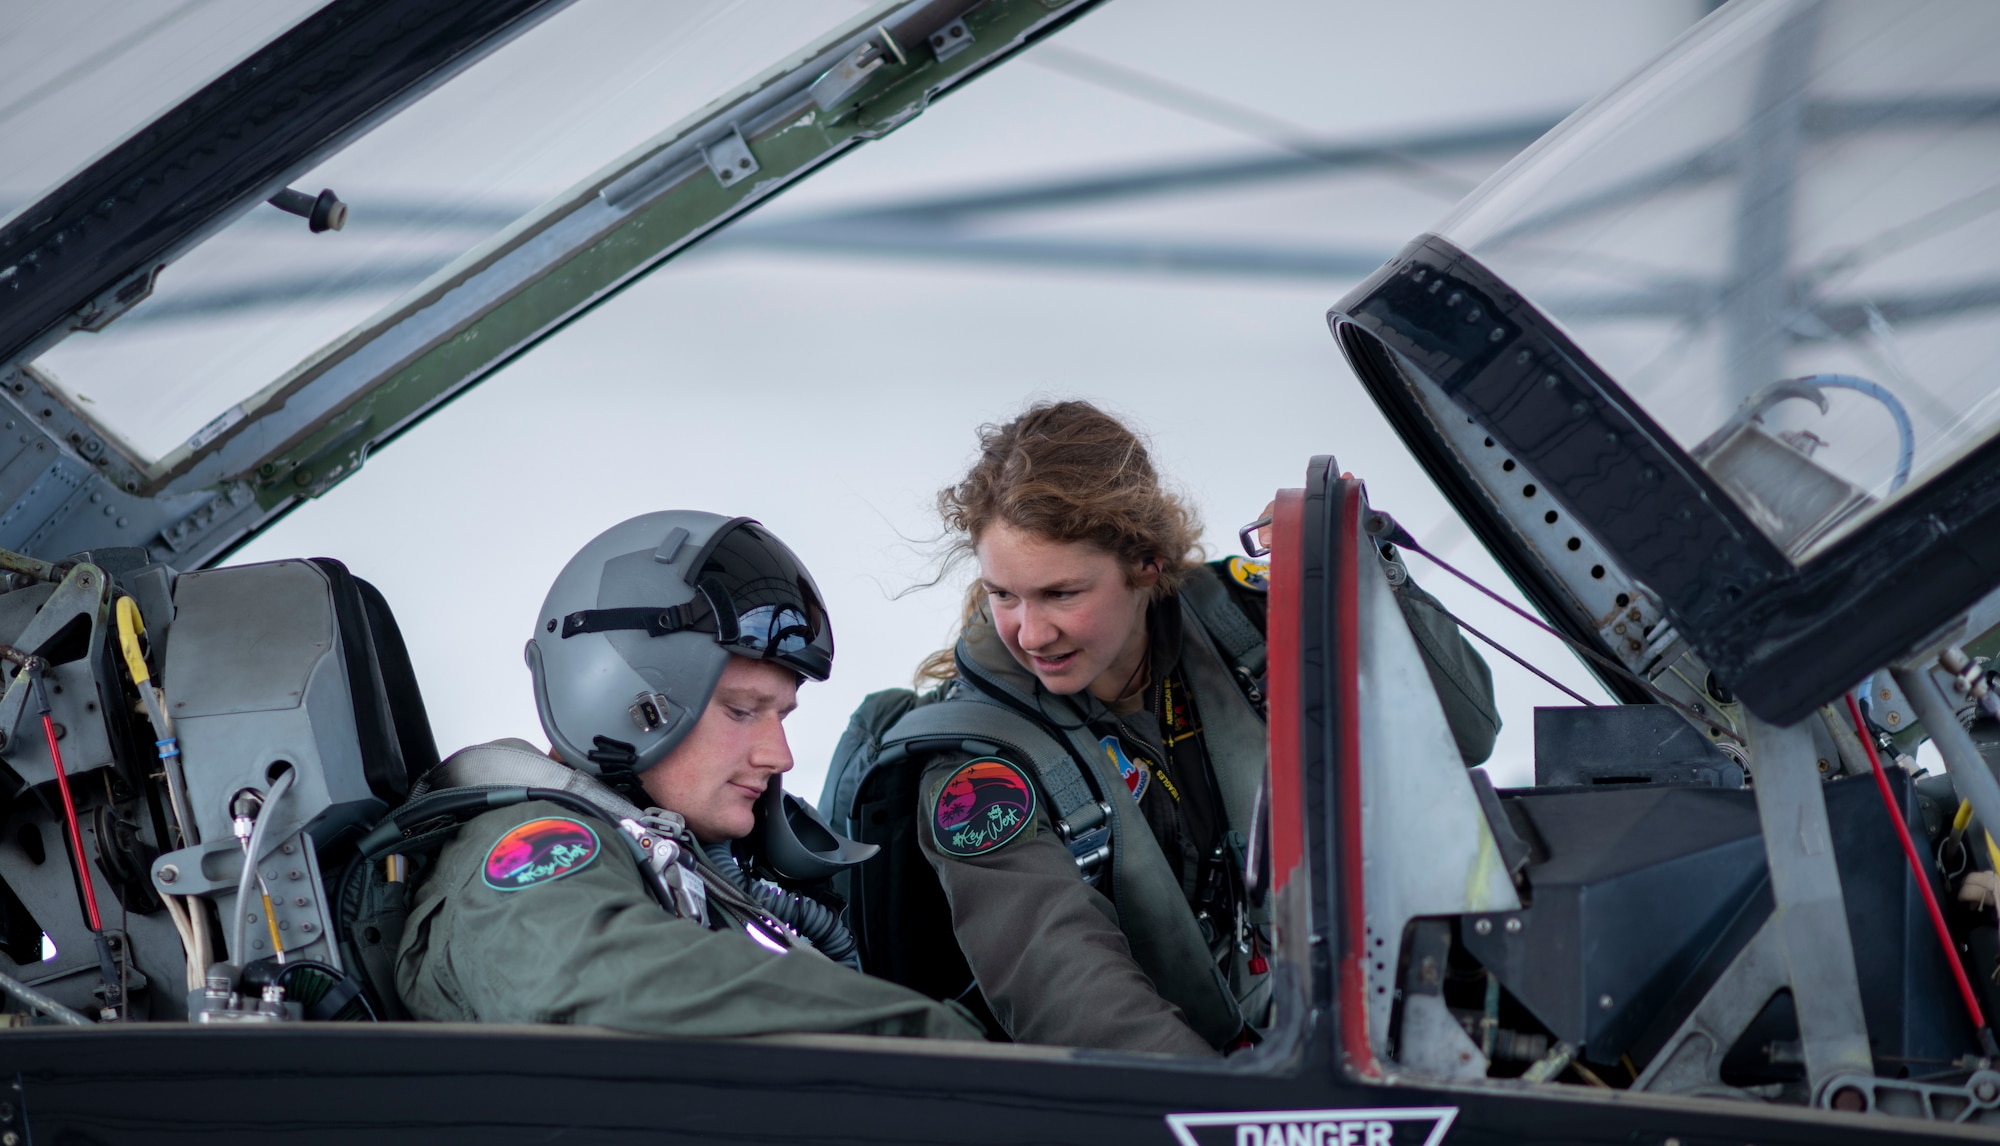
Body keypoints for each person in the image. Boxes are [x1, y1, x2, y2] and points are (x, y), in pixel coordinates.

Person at [901, 401, 1497, 1057]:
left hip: (1308, 1042)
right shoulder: (978, 772)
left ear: (1147, 565)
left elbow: (1463, 734)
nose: (1032, 633)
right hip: (1163, 1111)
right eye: (1005, 594)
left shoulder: (1245, 628)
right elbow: (1066, 988)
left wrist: (1367, 575)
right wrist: (1239, 1110)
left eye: (1062, 593)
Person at [393, 510, 983, 1042]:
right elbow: (608, 980)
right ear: (625, 702)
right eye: (741, 711)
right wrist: (924, 1040)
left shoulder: (671, 864)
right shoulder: (529, 846)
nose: (780, 757)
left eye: (780, 716)